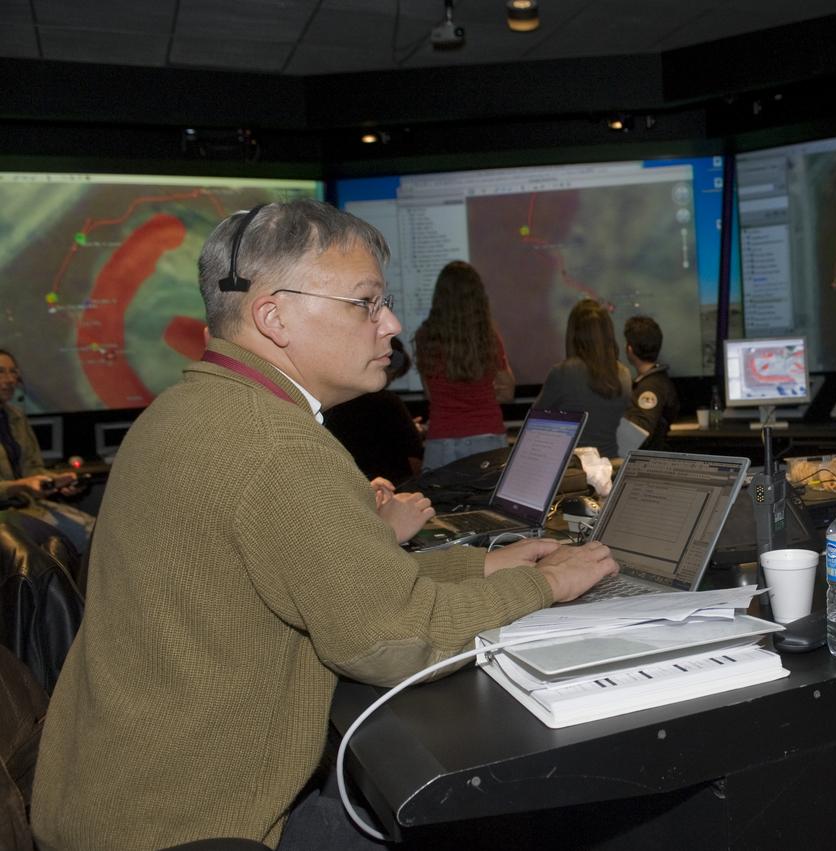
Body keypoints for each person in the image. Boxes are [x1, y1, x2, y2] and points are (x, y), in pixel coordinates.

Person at [30, 200, 617, 851]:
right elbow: (391, 637)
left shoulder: (190, 409)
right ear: (273, 316)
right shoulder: (277, 445)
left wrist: (481, 563)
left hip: (109, 803)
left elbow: (328, 574)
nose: (390, 324)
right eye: (365, 303)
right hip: (188, 827)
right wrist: (546, 587)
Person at [413, 260, 515, 469]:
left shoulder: (425, 338)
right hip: (488, 439)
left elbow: (430, 394)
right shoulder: (488, 338)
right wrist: (482, 393)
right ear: (478, 298)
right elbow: (509, 391)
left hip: (441, 442)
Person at [0, 348, 95, 556]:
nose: (9, 380)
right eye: (1, 372)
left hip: (29, 505)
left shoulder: (15, 417)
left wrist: (56, 482)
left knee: (94, 530)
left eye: (13, 372)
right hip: (6, 515)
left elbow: (33, 469)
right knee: (75, 540)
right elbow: (23, 483)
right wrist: (20, 486)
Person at [534, 299, 631, 457]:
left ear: (573, 333)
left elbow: (535, 423)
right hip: (611, 468)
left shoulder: (562, 373)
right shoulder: (624, 374)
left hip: (573, 471)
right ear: (608, 332)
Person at [324, 336, 424, 484]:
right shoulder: (389, 402)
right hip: (394, 486)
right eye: (393, 376)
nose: (389, 382)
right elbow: (414, 459)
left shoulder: (332, 401)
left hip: (352, 486)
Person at [617, 315, 681, 455]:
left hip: (644, 462)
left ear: (629, 349)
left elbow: (639, 436)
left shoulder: (651, 387)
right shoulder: (655, 381)